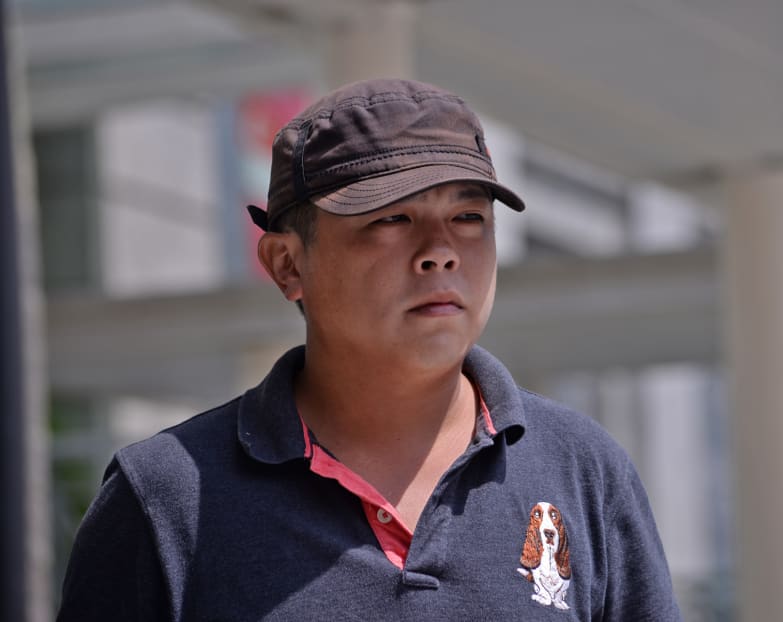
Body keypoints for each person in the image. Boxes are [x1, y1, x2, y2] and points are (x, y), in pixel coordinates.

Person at [57, 78, 681, 621]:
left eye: (470, 217)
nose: (442, 250)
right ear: (286, 263)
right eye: (390, 218)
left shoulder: (584, 469)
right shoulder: (167, 497)